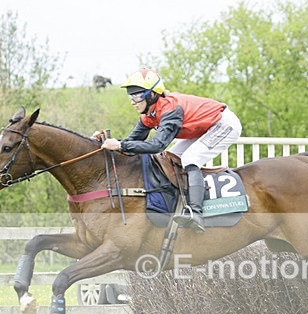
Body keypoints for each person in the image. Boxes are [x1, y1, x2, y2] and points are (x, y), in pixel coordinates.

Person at [95, 68, 242, 231]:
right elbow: (131, 143)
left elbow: (156, 145)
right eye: (131, 96)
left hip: (223, 124)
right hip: (204, 127)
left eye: (136, 96)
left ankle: (196, 213)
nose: (132, 101)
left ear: (152, 95)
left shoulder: (170, 109)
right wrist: (105, 143)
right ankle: (180, 202)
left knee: (190, 159)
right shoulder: (148, 115)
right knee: (170, 157)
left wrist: (120, 145)